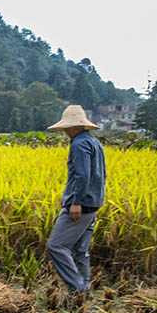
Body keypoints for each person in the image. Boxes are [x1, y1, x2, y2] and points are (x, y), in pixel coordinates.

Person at [46, 104, 106, 296]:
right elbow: (100, 175)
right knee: (80, 250)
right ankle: (84, 290)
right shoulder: (93, 142)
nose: (64, 131)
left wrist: (76, 202)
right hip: (93, 203)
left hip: (82, 204)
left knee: (56, 246)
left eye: (65, 127)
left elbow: (82, 175)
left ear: (72, 126)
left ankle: (78, 287)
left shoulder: (79, 144)